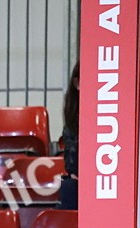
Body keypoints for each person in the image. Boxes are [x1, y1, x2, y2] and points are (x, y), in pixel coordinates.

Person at [59, 61, 79, 211]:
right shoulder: (72, 120)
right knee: (69, 188)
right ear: (77, 83)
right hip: (78, 180)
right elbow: (71, 164)